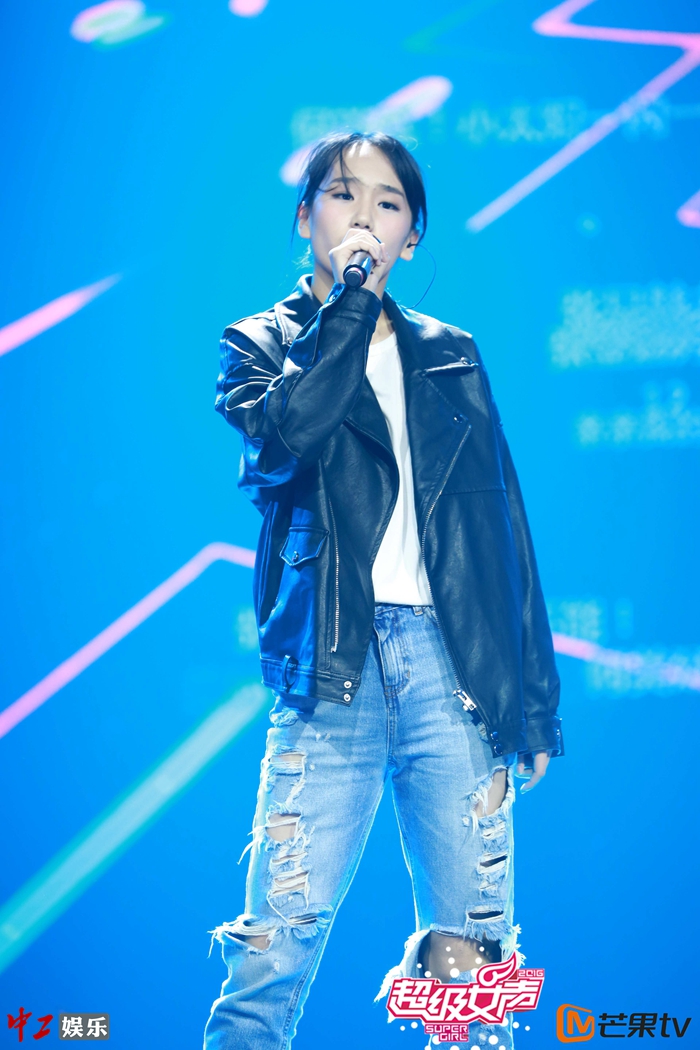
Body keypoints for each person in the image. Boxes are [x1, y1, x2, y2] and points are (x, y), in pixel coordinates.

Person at [203, 130, 564, 1050]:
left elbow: (503, 530)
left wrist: (533, 701)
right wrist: (350, 309)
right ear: (305, 218)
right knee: (274, 948)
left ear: (413, 235)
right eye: (342, 194)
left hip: (454, 671)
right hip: (334, 671)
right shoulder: (259, 344)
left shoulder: (452, 355)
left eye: (388, 202)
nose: (364, 214)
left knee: (471, 966)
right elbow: (288, 442)